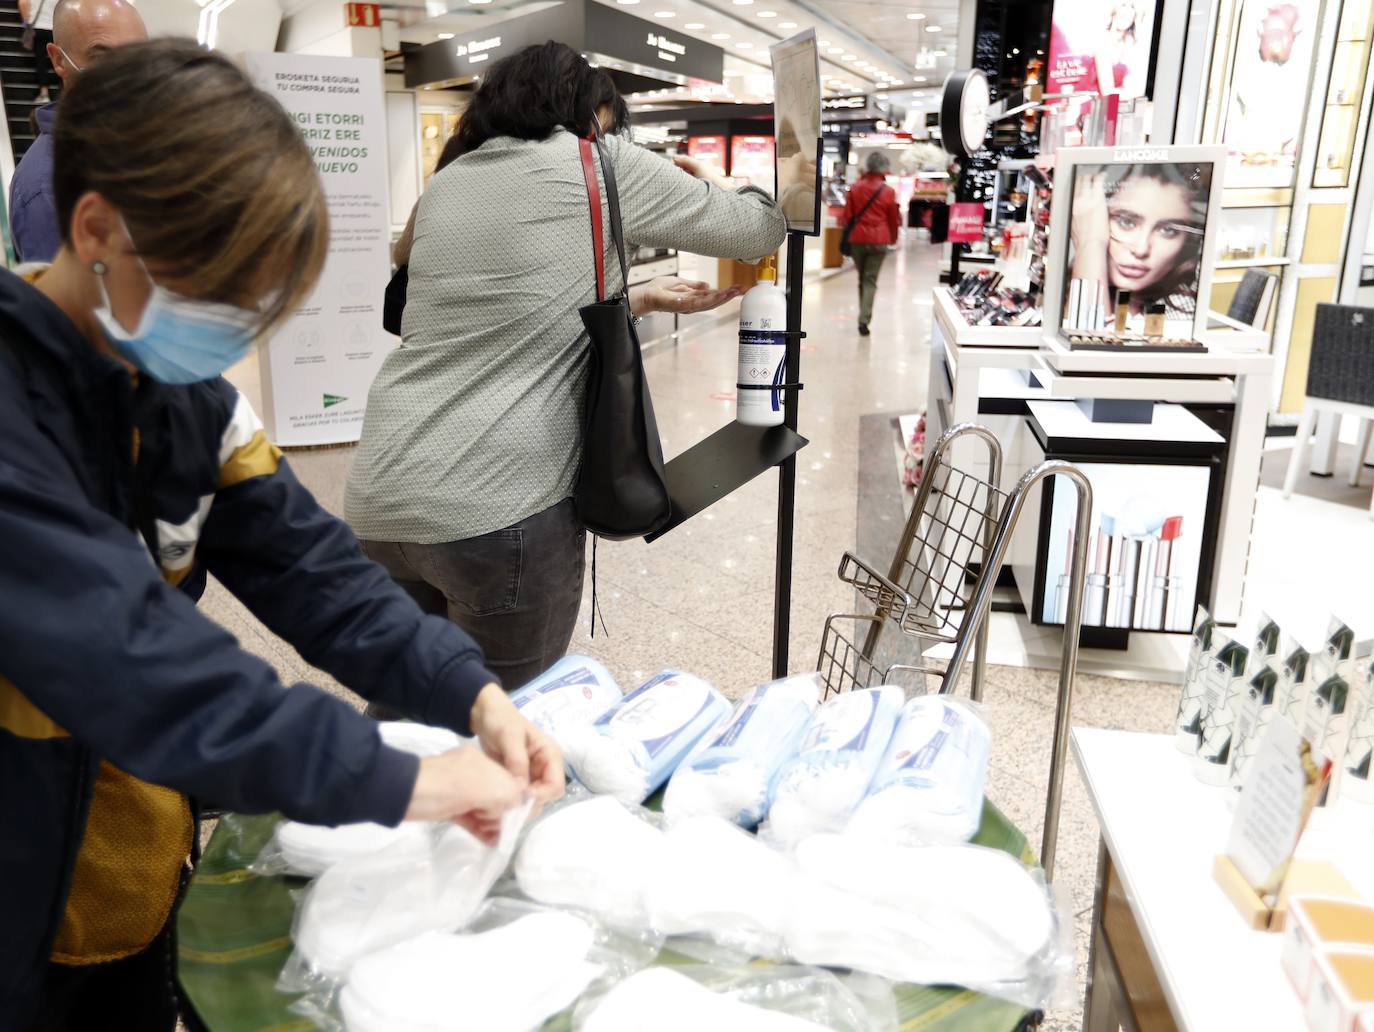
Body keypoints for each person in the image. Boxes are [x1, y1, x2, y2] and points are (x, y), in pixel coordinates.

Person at [0, 40, 562, 1030]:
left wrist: (466, 692)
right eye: (215, 296)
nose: (236, 335)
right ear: (95, 228)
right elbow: (137, 662)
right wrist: (403, 780)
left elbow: (317, 570)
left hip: (126, 876)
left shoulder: (185, 403)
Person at [346, 42, 787, 690]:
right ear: (591, 109)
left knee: (410, 710)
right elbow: (757, 231)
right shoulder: (596, 161)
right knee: (510, 721)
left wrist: (630, 299)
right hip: (498, 509)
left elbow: (488, 308)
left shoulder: (448, 181)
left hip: (380, 499)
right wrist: (723, 185)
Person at [9, 0, 146, 264]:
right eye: (102, 56)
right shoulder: (46, 187)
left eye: (137, 55)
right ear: (59, 59)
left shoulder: (138, 142)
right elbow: (67, 304)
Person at [1069, 162, 1209, 322]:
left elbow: (1088, 342)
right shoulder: (1060, 287)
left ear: (1187, 240)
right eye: (1126, 222)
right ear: (1094, 218)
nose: (1141, 249)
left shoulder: (1179, 311)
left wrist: (1090, 242)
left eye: (1168, 231)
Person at [843, 151, 900, 336]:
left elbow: (847, 217)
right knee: (870, 280)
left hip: (858, 239)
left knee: (862, 279)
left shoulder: (855, 188)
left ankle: (863, 315)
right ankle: (864, 320)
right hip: (879, 240)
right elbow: (893, 219)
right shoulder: (888, 191)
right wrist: (892, 238)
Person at [1094, 2, 1147, 97]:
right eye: (1123, 5)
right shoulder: (1103, 41)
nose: (1127, 10)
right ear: (1114, 12)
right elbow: (1107, 91)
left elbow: (1134, 81)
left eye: (1132, 7)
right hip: (1096, 103)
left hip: (1114, 102)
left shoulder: (1127, 44)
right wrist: (1137, 92)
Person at [18, 0, 57, 99]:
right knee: (58, 59)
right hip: (54, 28)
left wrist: (26, 23)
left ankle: (44, 93)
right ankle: (64, 90)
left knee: (41, 61)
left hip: (38, 27)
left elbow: (23, 3)